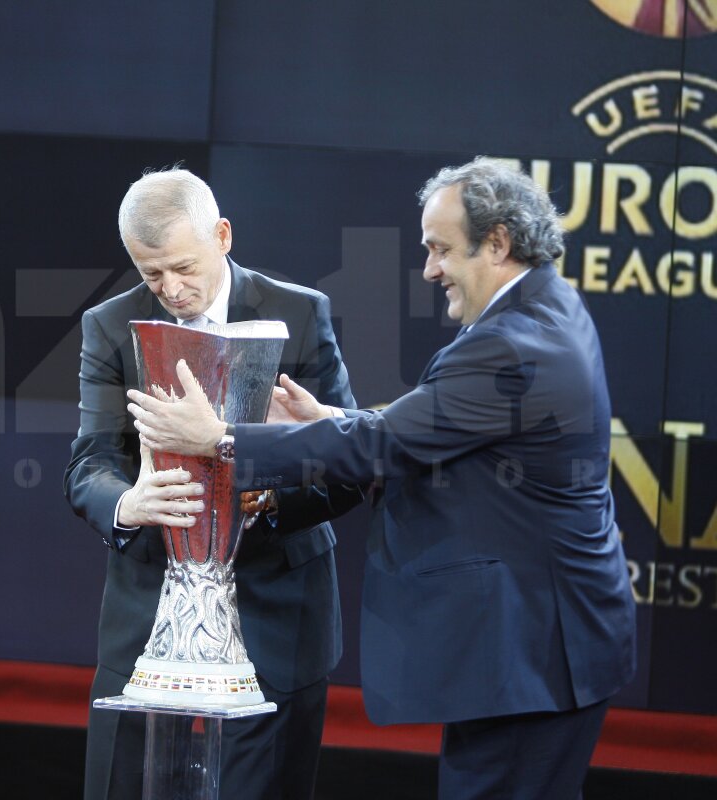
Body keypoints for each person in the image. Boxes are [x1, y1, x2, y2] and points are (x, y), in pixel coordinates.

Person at [127, 157, 637, 799]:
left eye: (441, 249)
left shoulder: (514, 343)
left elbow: (385, 443)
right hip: (536, 646)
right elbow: (422, 427)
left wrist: (221, 439)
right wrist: (331, 418)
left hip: (532, 651)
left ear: (498, 243)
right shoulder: (543, 311)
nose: (430, 270)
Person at [64, 168, 358, 799]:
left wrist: (269, 490)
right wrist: (128, 502)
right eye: (151, 275)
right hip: (150, 605)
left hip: (278, 604)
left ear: (222, 235)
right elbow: (89, 463)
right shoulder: (111, 325)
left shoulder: (298, 313)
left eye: (183, 267)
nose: (171, 290)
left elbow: (348, 465)